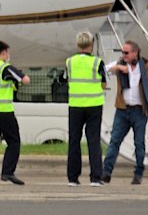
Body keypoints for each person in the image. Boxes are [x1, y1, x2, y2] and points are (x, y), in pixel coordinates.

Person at [101, 40, 148, 185]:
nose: (124, 55)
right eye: (122, 52)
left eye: (126, 52)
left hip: (139, 111)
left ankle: (138, 173)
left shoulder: (147, 66)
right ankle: (106, 172)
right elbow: (104, 69)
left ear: (135, 52)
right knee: (114, 141)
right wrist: (118, 68)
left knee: (139, 143)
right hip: (123, 109)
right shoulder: (121, 63)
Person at [0, 40, 30, 186]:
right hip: (3, 110)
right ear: (3, 53)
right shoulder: (5, 68)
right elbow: (25, 80)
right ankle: (8, 172)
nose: (9, 56)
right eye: (8, 53)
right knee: (14, 141)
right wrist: (19, 77)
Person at [64, 31, 107, 187]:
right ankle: (96, 177)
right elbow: (104, 84)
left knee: (74, 141)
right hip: (94, 105)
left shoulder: (69, 62)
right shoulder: (97, 62)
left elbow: (67, 79)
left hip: (75, 105)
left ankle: (73, 178)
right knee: (93, 141)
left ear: (77, 45)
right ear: (92, 45)